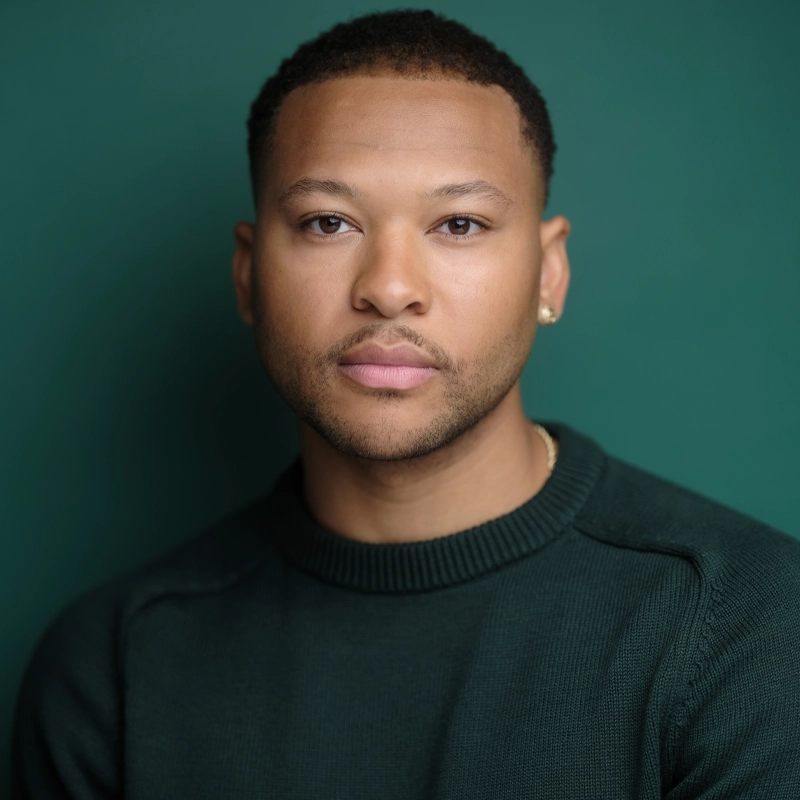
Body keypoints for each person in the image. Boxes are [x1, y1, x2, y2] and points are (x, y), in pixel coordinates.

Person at [12, 9, 800, 798]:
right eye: (329, 222)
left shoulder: (749, 627)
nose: (389, 287)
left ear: (549, 272)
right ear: (249, 275)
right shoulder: (112, 665)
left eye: (459, 224)